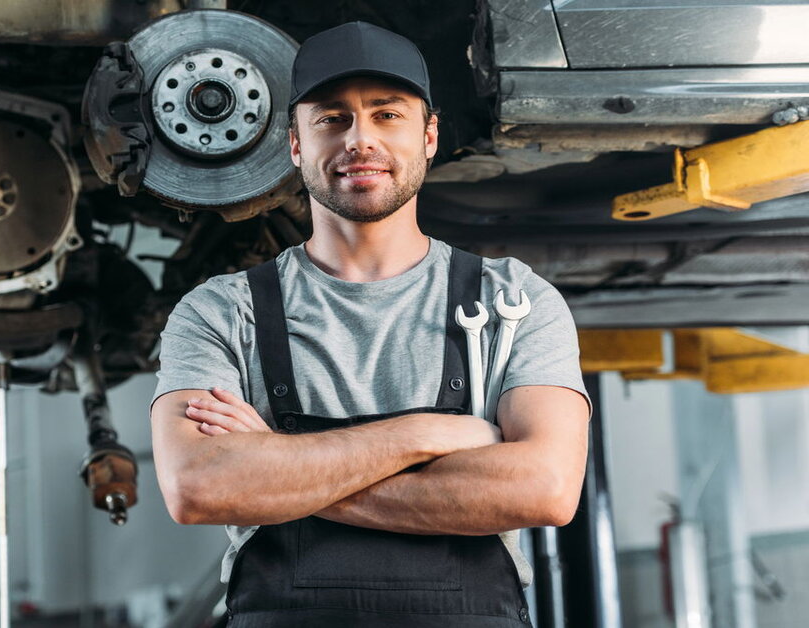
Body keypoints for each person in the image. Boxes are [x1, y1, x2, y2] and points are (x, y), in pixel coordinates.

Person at [150, 21, 591, 627]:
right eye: (331, 118)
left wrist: (277, 464)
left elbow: (545, 488)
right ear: (296, 144)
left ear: (430, 135)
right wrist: (425, 436)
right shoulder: (221, 312)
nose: (360, 139)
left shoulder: (515, 301)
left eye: (387, 115)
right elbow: (198, 488)